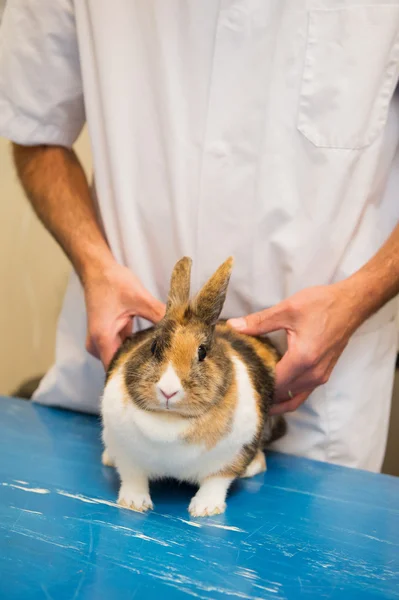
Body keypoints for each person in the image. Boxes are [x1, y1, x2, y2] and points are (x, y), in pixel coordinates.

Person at [1, 1, 398, 472]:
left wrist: (359, 296)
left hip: (318, 411)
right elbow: (36, 129)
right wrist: (94, 264)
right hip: (118, 375)